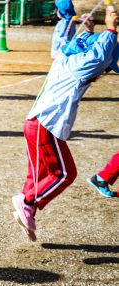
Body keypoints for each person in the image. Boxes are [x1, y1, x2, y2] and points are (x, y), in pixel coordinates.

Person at [11, 8, 118, 242]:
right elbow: (98, 57)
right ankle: (28, 202)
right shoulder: (79, 65)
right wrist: (110, 28)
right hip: (46, 125)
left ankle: (27, 211)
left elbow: (85, 47)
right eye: (108, 68)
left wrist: (88, 31)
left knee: (37, 174)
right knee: (64, 174)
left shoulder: (68, 57)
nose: (104, 72)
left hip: (35, 123)